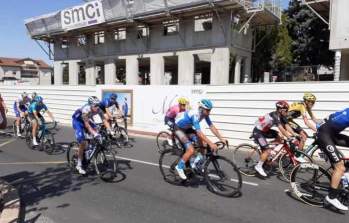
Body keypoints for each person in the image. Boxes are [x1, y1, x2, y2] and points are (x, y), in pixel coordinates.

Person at [174, 99, 226, 180]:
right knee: (191, 150)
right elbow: (199, 133)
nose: (209, 112)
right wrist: (211, 143)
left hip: (187, 128)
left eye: (210, 110)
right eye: (208, 110)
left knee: (204, 145)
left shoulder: (205, 114)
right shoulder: (195, 114)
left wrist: (221, 138)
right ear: (201, 108)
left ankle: (195, 164)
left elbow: (211, 126)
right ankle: (179, 167)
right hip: (179, 129)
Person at [252, 100, 299, 177]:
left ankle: (267, 148)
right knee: (267, 150)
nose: (287, 112)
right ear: (280, 110)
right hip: (258, 132)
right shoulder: (275, 115)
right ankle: (258, 166)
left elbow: (287, 126)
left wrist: (295, 134)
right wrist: (290, 137)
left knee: (280, 138)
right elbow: (282, 129)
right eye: (286, 110)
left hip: (266, 130)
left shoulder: (281, 115)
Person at [317, 108, 349, 211]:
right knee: (340, 167)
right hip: (325, 135)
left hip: (330, 133)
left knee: (343, 167)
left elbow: (331, 118)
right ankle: (332, 197)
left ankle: (346, 173)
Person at [72, 96, 106, 175]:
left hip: (87, 119)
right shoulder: (85, 109)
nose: (97, 107)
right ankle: (79, 165)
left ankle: (87, 151)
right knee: (83, 142)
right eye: (95, 105)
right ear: (90, 105)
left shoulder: (98, 109)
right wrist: (95, 134)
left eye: (98, 105)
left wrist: (110, 131)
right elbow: (87, 125)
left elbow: (104, 120)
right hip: (78, 122)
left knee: (96, 132)